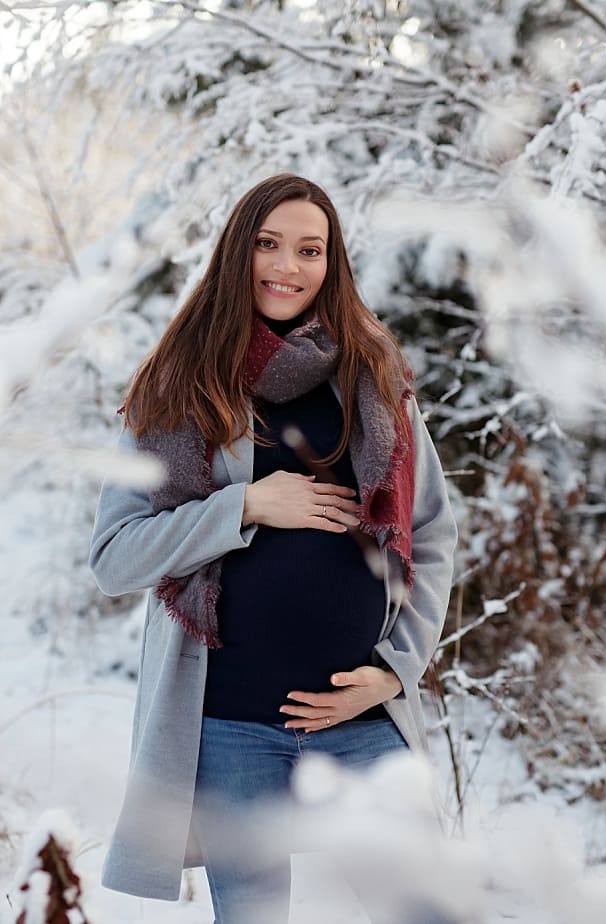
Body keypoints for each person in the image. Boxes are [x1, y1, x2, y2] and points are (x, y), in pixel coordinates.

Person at [89, 174, 457, 922]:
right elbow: (115, 558)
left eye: (309, 249)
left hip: (359, 721)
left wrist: (394, 674)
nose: (287, 265)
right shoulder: (178, 389)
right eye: (268, 244)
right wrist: (247, 504)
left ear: (332, 263)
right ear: (236, 252)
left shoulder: (374, 381)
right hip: (230, 728)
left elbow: (431, 536)